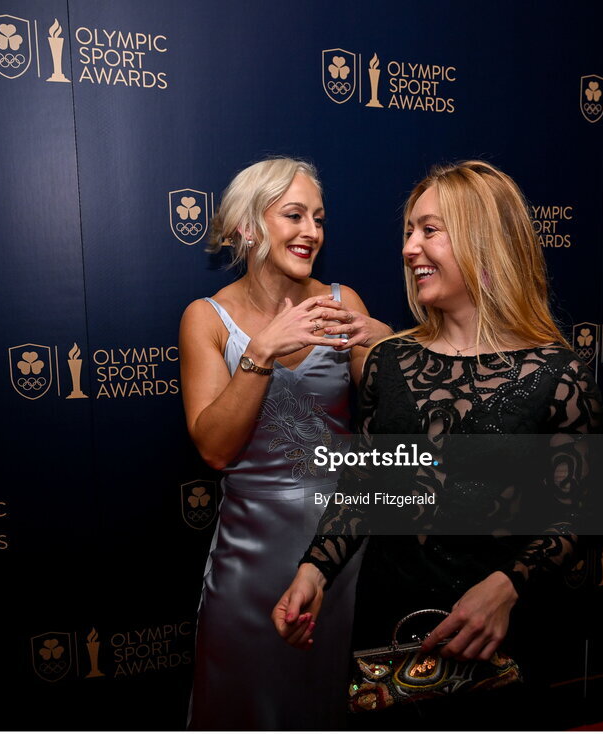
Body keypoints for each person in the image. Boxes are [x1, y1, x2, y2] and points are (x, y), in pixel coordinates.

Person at [273, 160, 603, 728]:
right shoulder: (387, 362)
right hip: (389, 628)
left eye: (429, 230)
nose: (409, 249)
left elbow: (578, 513)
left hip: (499, 637)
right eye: (408, 231)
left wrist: (506, 588)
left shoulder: (559, 373)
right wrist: (314, 571)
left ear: (484, 240)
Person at [179, 157, 390, 729]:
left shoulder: (344, 304)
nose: (312, 232)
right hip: (249, 555)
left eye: (318, 218)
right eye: (293, 215)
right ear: (249, 226)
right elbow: (216, 450)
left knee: (322, 702)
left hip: (337, 547)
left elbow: (398, 406)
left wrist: (388, 342)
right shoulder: (208, 319)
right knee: (243, 702)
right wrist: (262, 351)